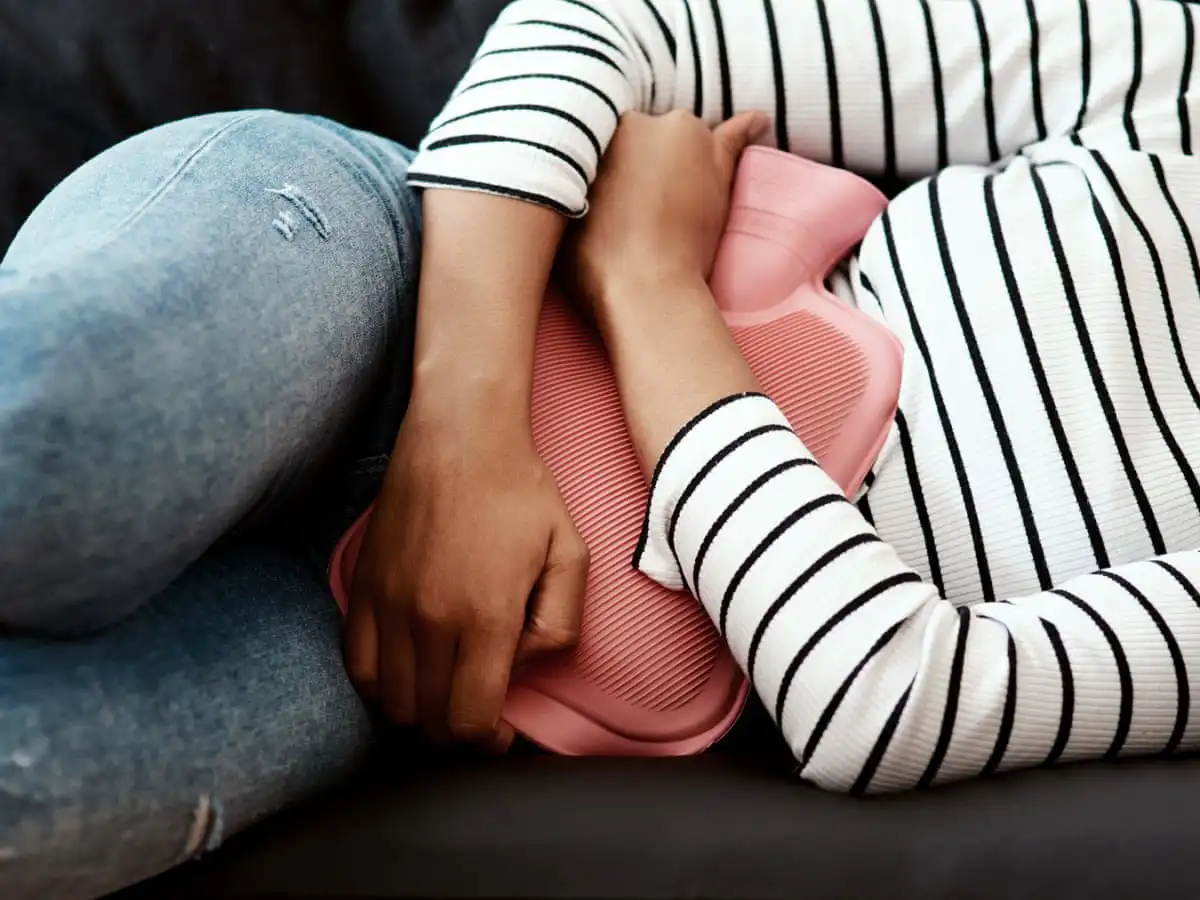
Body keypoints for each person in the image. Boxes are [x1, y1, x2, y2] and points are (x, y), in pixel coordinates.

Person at [3, 0, 1200, 897]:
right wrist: (461, 437)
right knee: (49, 451)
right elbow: (608, 25)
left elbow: (889, 698)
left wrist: (650, 285)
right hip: (394, 286)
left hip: (461, 667)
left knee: (30, 790)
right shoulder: (1172, 73)